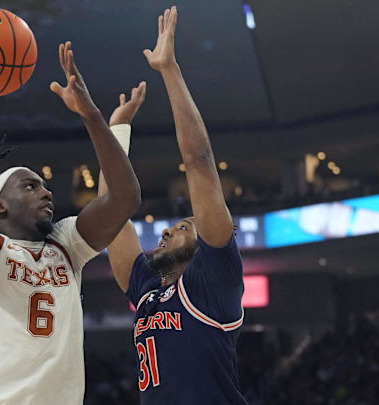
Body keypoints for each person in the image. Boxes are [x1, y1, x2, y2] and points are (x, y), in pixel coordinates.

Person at [0, 21, 145, 404]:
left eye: (44, 185)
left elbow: (124, 198)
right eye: (30, 186)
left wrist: (92, 116)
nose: (45, 191)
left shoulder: (66, 243)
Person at [98, 7, 247, 404]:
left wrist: (169, 70)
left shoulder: (215, 280)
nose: (165, 230)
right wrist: (117, 132)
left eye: (183, 226)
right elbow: (107, 211)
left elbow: (199, 163)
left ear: (209, 244)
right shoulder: (148, 287)